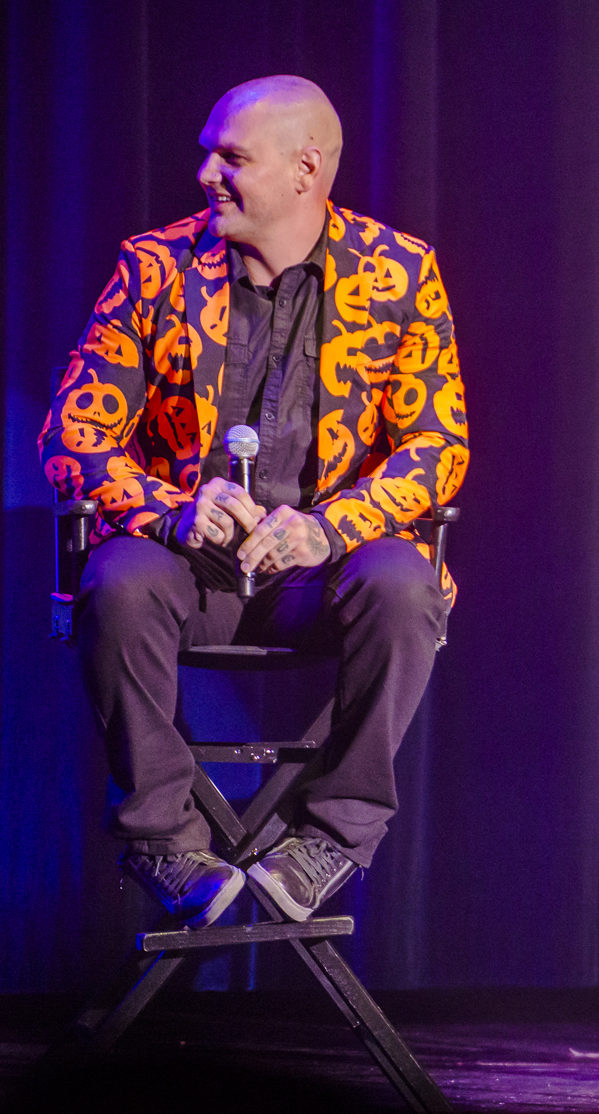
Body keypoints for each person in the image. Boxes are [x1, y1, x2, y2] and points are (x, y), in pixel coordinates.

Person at [40, 75, 468, 928]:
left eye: (231, 157)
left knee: (406, 586)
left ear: (306, 171)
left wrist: (324, 528)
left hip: (322, 575)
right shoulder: (154, 268)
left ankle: (332, 837)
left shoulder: (399, 271)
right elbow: (70, 437)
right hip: (186, 572)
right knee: (117, 581)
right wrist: (170, 509)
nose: (206, 172)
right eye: (207, 151)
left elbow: (437, 446)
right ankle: (165, 841)